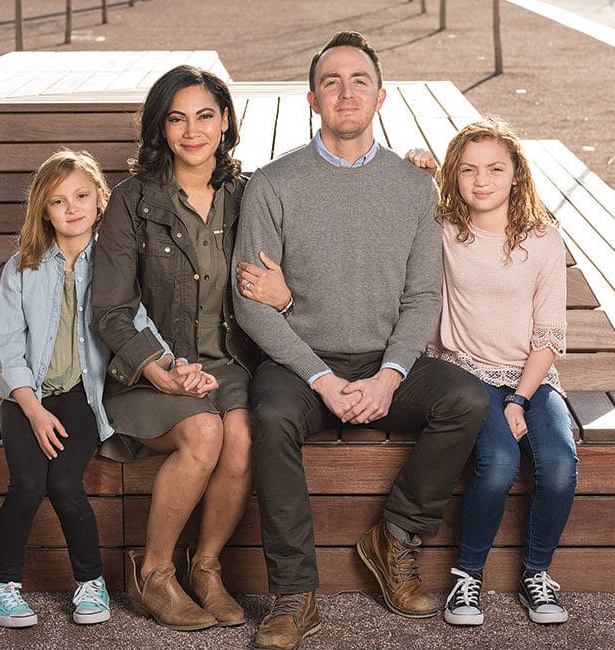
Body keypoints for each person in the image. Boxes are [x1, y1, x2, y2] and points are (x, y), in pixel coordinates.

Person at [232, 31, 489, 650]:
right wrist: (320, 378)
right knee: (268, 416)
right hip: (300, 366)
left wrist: (391, 374)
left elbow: (422, 297)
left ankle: (396, 537)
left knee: (468, 401)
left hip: (385, 365)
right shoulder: (272, 184)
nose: (346, 92)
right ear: (313, 99)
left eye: (359, 82)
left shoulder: (412, 188)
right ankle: (295, 593)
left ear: (380, 98)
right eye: (331, 82)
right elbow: (248, 302)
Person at [91, 65, 291, 631]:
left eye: (206, 115)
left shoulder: (250, 195)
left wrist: (286, 295)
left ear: (226, 122)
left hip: (229, 365)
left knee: (244, 433)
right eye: (176, 118)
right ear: (159, 128)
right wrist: (157, 370)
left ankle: (204, 568)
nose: (192, 130)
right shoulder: (132, 202)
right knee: (204, 431)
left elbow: (299, 259)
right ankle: (154, 573)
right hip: (148, 370)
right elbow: (108, 311)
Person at [408, 116, 577, 626]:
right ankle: (468, 577)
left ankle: (537, 574)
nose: (482, 181)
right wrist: (417, 167)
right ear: (453, 177)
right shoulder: (442, 229)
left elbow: (548, 335)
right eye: (468, 170)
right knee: (500, 461)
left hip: (530, 378)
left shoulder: (543, 240)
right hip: (463, 373)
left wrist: (520, 399)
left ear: (516, 175)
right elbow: (385, 190)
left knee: (562, 463)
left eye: (495, 169)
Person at [0, 150, 120, 628]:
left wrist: (172, 362)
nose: (72, 208)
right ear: (44, 209)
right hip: (24, 397)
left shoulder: (112, 263)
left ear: (100, 200)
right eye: (58, 201)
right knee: (26, 483)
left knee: (64, 482)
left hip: (80, 395)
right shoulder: (21, 268)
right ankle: (2, 586)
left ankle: (90, 582)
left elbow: (136, 322)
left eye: (82, 196)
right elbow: (10, 351)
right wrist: (34, 411)